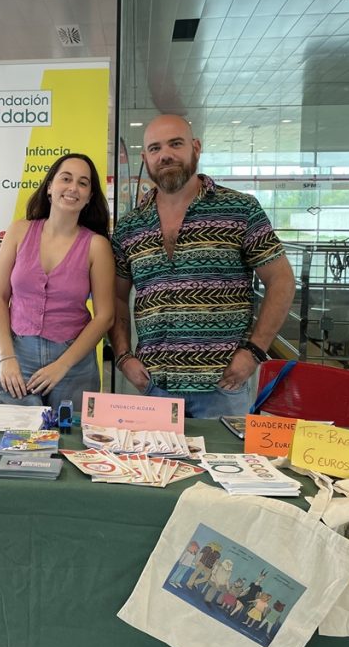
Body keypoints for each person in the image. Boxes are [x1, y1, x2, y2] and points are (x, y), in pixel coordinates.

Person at [109, 114, 296, 419]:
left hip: (222, 386)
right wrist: (123, 356)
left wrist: (254, 352)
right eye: (155, 148)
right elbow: (116, 297)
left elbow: (282, 282)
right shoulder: (131, 225)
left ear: (196, 147)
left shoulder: (239, 209)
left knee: (225, 468)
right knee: (157, 467)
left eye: (175, 144)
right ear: (145, 158)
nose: (165, 154)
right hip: (155, 387)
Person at [0, 153, 115, 412]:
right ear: (49, 187)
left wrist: (63, 365)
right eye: (66, 179)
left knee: (72, 444)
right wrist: (7, 356)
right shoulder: (18, 231)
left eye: (83, 183)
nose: (73, 188)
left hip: (74, 364)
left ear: (90, 196)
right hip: (18, 357)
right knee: (16, 442)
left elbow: (105, 316)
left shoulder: (97, 246)